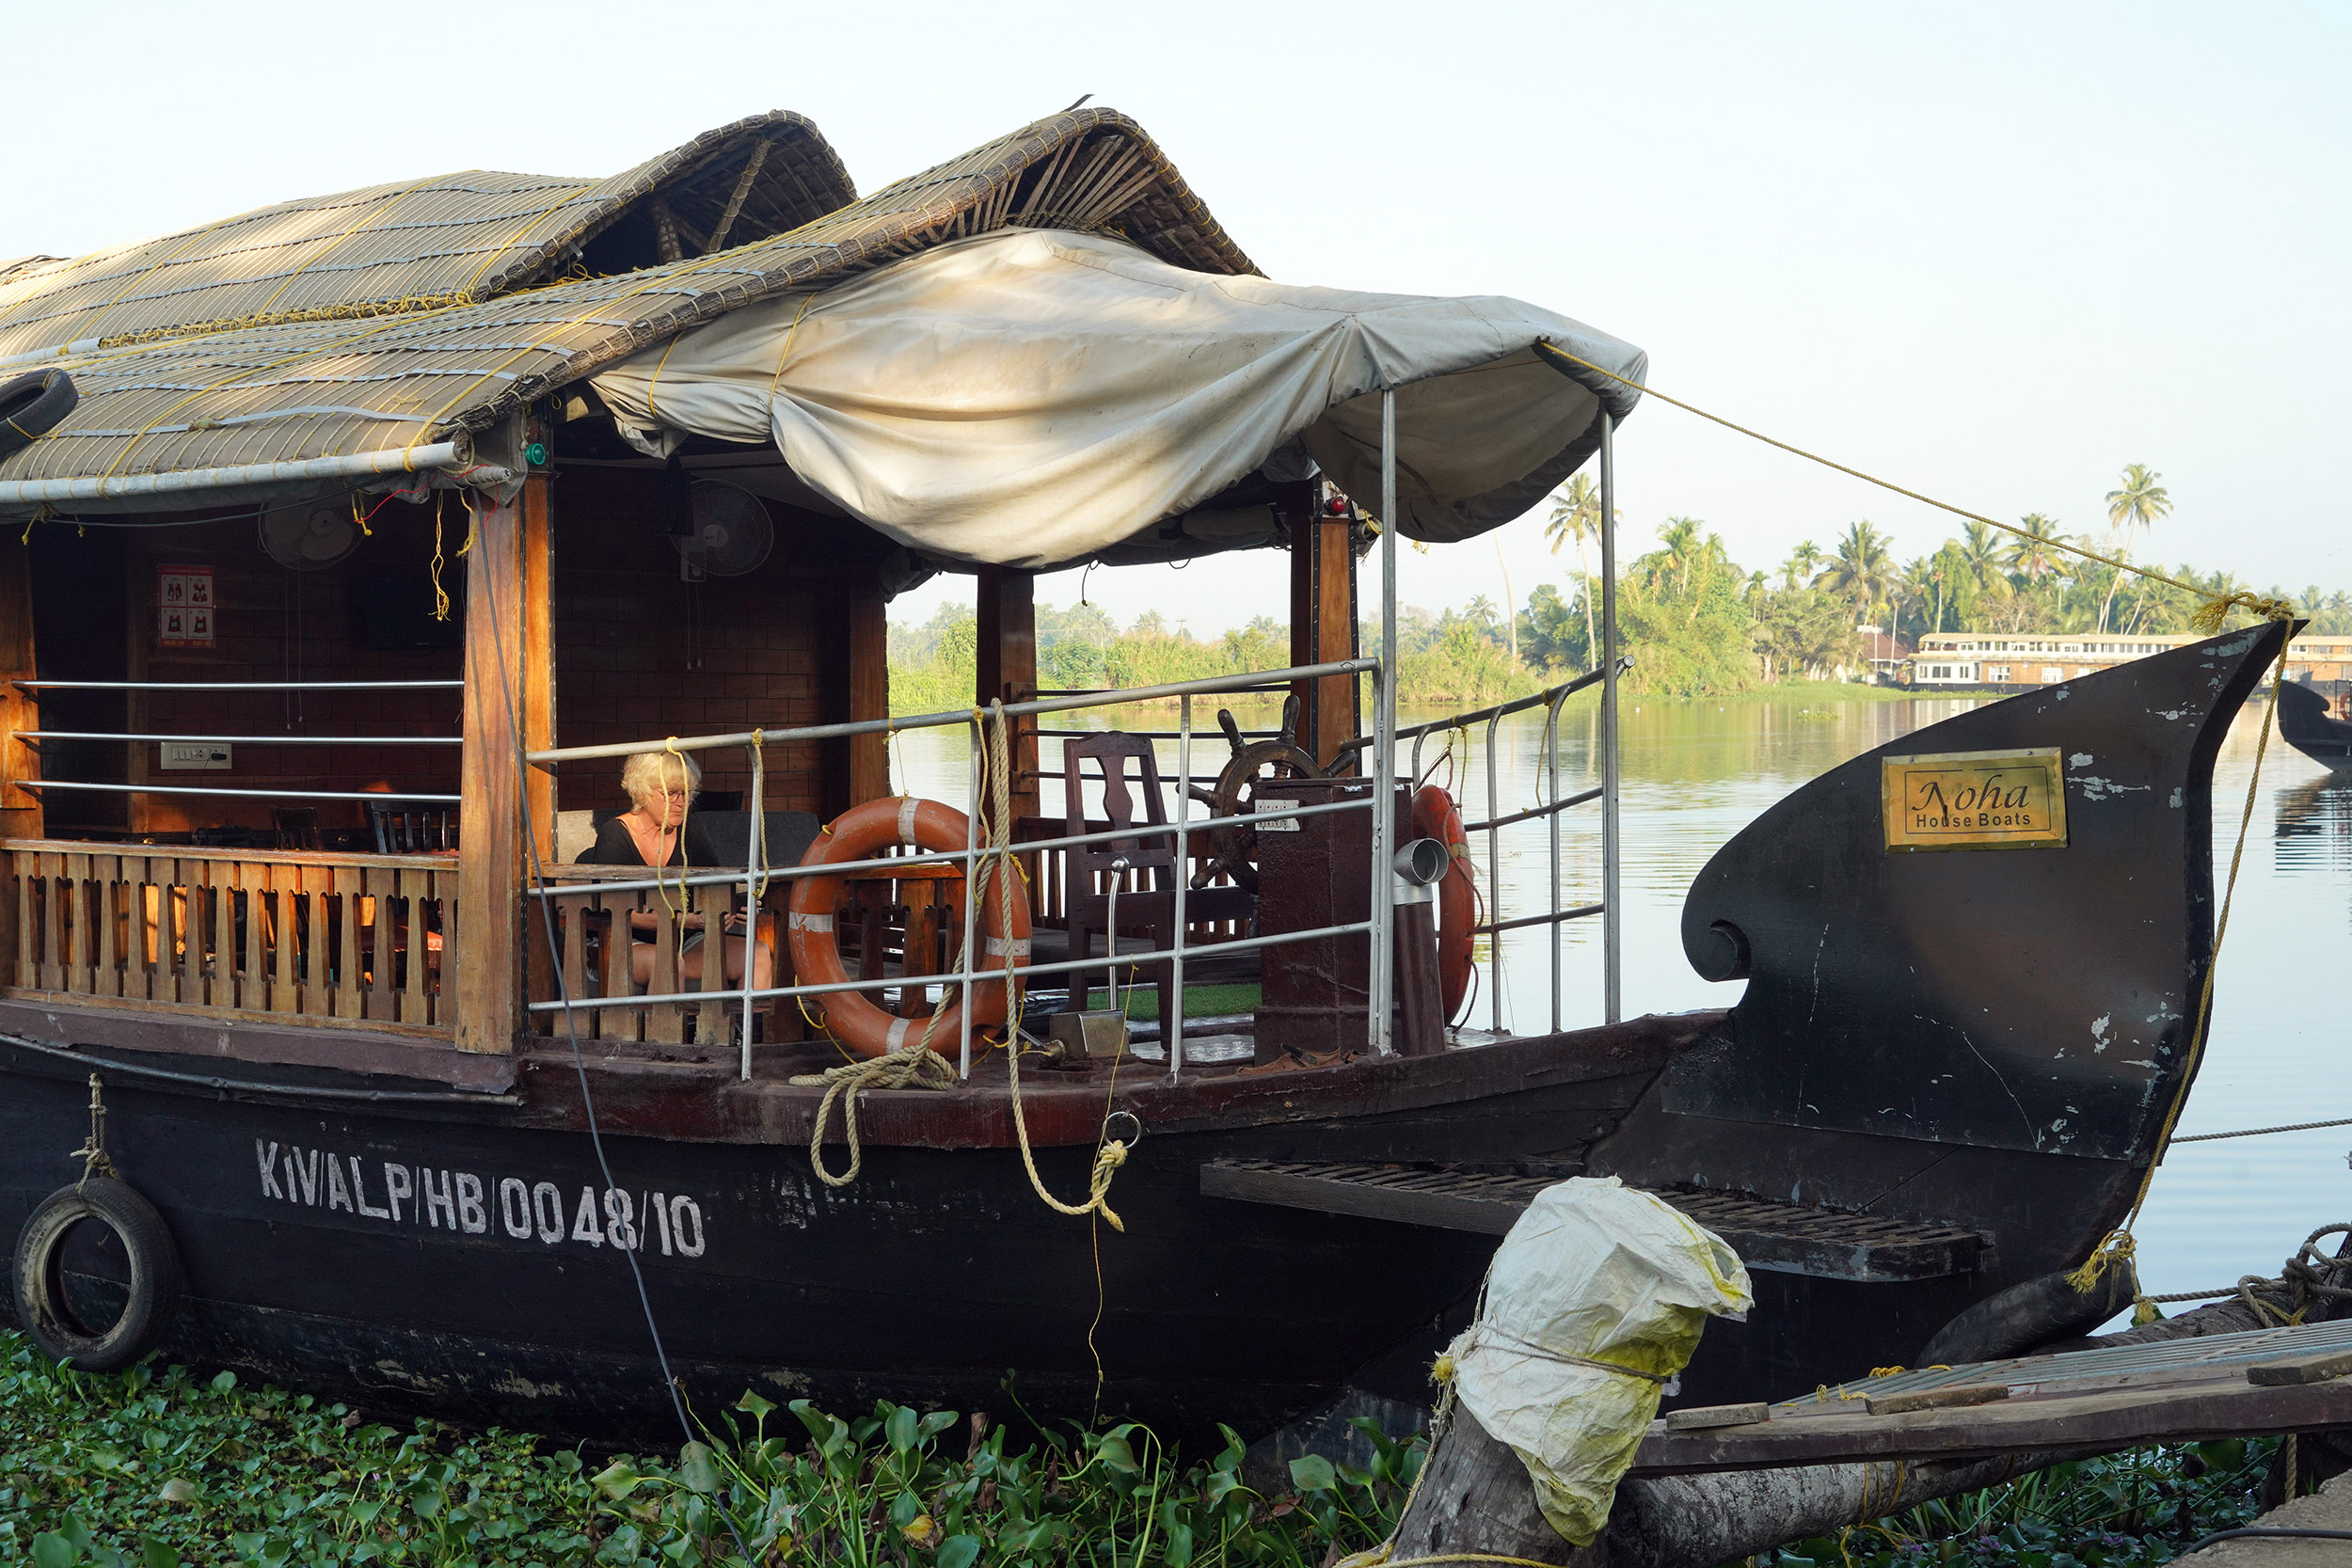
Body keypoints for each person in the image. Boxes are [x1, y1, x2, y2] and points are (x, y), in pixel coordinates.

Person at [577, 749, 773, 992]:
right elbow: (614, 909)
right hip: (625, 942)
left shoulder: (691, 829)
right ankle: (662, 1032)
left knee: (757, 953)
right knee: (668, 963)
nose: (681, 802)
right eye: (671, 794)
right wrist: (687, 921)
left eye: (686, 793)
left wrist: (730, 910)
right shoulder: (616, 834)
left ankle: (746, 1030)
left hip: (685, 941)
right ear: (643, 791)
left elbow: (717, 885)